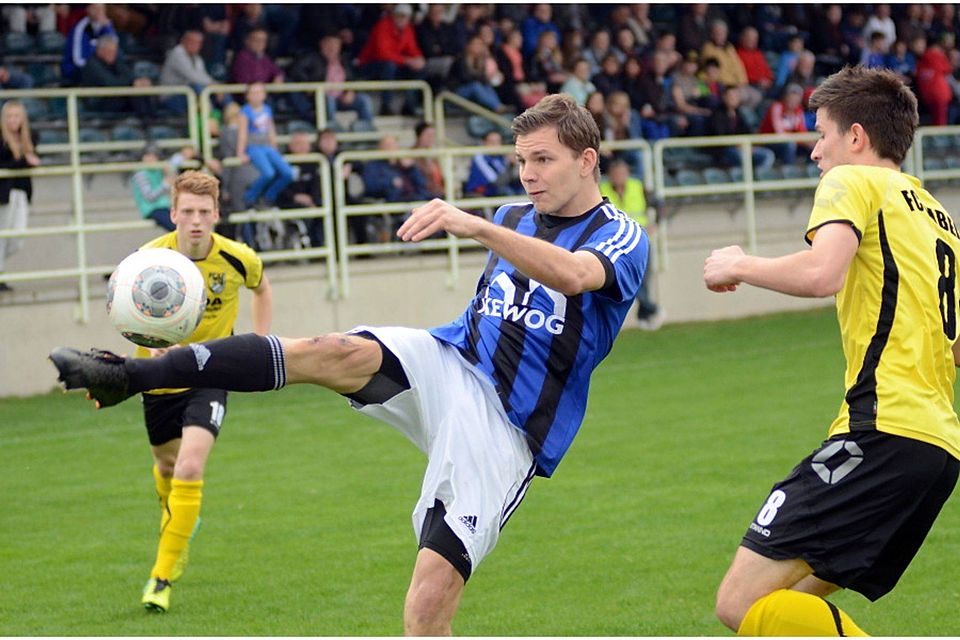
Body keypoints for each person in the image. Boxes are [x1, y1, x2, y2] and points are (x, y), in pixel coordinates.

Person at [50, 93, 647, 635]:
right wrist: (489, 225)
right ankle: (132, 376)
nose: (528, 174)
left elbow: (574, 276)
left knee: (426, 605)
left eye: (542, 160)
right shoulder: (513, 215)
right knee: (331, 350)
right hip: (452, 363)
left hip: (510, 425)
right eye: (522, 160)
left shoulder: (621, 234)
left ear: (587, 159)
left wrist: (472, 225)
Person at [703, 65, 960, 636]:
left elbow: (824, 274)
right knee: (781, 607)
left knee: (739, 602)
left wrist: (738, 263)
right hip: (937, 450)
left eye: (821, 133)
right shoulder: (940, 219)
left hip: (880, 431)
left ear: (857, 136)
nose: (816, 151)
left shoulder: (852, 183)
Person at [125, 171, 274, 613]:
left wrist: (258, 346)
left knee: (190, 467)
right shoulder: (147, 260)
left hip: (211, 374)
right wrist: (154, 344)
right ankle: (177, 523)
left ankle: (161, 577)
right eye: (186, 212)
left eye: (203, 213)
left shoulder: (237, 258)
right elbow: (124, 312)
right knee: (167, 465)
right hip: (158, 378)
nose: (195, 221)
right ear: (172, 214)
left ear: (216, 214)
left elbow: (262, 289)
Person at [599, 158, 660, 330]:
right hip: (613, 245)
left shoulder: (638, 187)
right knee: (624, 282)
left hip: (640, 242)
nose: (619, 177)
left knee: (642, 280)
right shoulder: (601, 190)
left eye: (622, 173)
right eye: (616, 173)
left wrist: (655, 224)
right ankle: (650, 310)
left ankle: (646, 313)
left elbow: (659, 204)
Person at [0, 100, 39, 293]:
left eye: (17, 116)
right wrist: (25, 161)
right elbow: (6, 164)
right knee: (3, 235)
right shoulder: (2, 139)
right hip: (5, 194)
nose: (13, 120)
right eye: (9, 116)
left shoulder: (29, 138)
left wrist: (26, 160)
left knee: (17, 238)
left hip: (22, 193)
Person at [61, 2, 116, 85]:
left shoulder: (106, 26)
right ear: (89, 10)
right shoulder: (80, 29)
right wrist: (95, 68)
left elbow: (114, 49)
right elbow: (78, 60)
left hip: (100, 72)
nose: (99, 13)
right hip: (77, 73)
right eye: (96, 9)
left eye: (102, 9)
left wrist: (108, 27)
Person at [464, 129, 521, 197]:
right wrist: (509, 164)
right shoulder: (479, 158)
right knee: (507, 192)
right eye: (491, 142)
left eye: (498, 142)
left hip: (497, 190)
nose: (495, 145)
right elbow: (496, 182)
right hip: (481, 192)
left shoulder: (500, 157)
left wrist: (515, 165)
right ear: (483, 143)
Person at [131, 144, 175, 232]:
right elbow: (149, 197)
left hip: (164, 207)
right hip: (151, 209)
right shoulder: (140, 174)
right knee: (176, 228)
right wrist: (165, 184)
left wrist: (170, 172)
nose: (150, 159)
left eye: (154, 156)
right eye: (147, 156)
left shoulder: (159, 170)